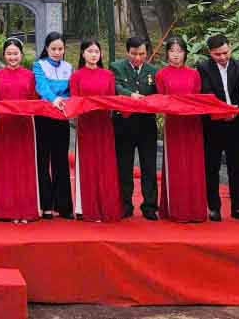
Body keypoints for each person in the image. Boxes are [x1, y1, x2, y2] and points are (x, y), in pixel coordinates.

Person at [196, 34, 239, 222]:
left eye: (225, 53)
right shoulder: (203, 67)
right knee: (211, 167)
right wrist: (223, 111)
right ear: (210, 53)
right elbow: (207, 93)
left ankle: (238, 208)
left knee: (236, 168)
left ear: (230, 47)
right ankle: (214, 208)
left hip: (236, 124)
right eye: (217, 55)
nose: (222, 57)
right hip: (213, 124)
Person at [155, 36, 208, 223]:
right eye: (172, 51)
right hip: (174, 124)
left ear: (185, 53)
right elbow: (161, 100)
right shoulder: (161, 74)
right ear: (167, 53)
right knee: (176, 164)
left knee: (194, 164)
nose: (176, 55)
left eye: (179, 51)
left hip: (192, 123)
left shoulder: (194, 74)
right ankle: (178, 210)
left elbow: (198, 98)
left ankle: (196, 210)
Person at [69, 39, 123, 222]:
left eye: (96, 52)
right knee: (87, 165)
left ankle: (106, 207)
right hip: (85, 125)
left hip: (104, 124)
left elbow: (111, 100)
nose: (93, 55)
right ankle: (86, 208)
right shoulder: (76, 76)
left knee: (105, 165)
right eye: (90, 51)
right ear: (83, 54)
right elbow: (75, 101)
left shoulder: (108, 75)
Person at [0, 38, 41, 223]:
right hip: (5, 126)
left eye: (15, 53)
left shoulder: (29, 75)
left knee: (24, 167)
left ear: (21, 54)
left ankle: (26, 211)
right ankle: (7, 210)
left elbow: (34, 100)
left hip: (24, 126)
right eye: (9, 54)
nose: (12, 57)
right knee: (6, 167)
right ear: (4, 55)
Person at [110, 36, 159, 220]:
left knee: (149, 166)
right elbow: (116, 87)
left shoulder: (153, 70)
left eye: (142, 54)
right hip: (124, 124)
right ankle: (125, 204)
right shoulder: (116, 67)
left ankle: (150, 206)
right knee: (124, 166)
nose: (138, 58)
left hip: (146, 124)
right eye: (134, 54)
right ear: (127, 52)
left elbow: (159, 92)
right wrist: (131, 95)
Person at [32, 32, 73, 219]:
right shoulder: (38, 65)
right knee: (43, 161)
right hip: (43, 118)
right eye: (53, 49)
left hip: (62, 118)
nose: (57, 52)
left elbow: (71, 90)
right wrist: (54, 99)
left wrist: (65, 101)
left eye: (60, 49)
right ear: (46, 48)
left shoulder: (69, 67)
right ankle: (46, 205)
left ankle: (63, 206)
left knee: (61, 162)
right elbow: (41, 87)